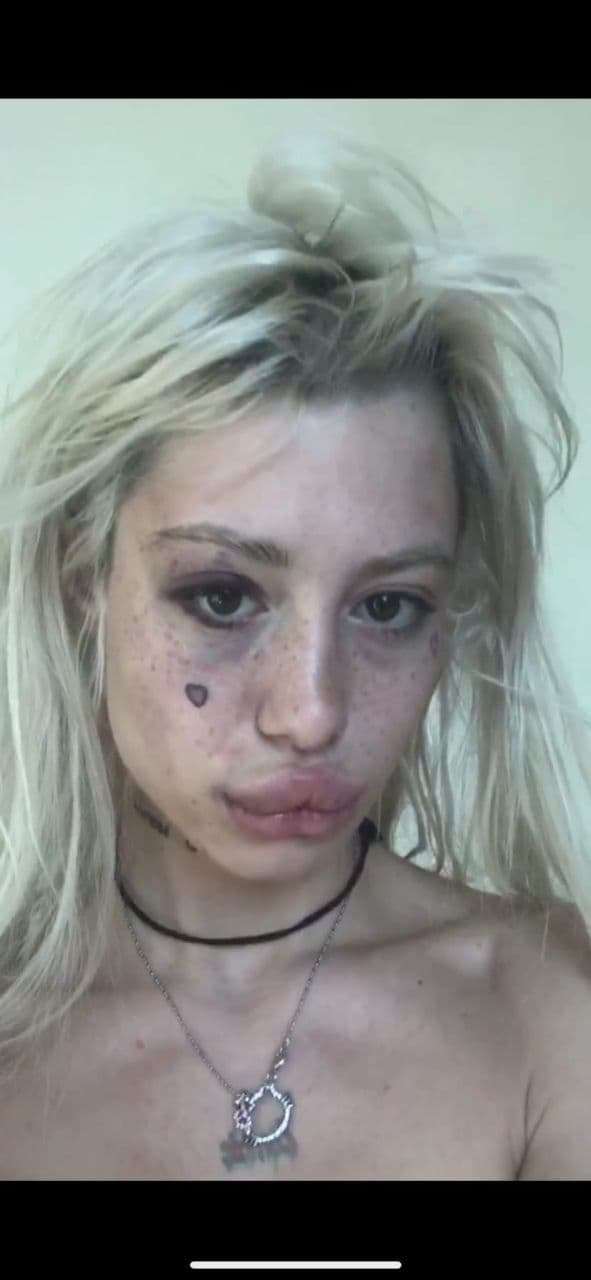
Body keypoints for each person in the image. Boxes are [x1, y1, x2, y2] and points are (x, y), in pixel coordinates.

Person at [0, 130, 590, 1182]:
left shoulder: (546, 1013)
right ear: (83, 580)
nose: (311, 713)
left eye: (389, 607)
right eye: (221, 597)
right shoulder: (17, 1031)